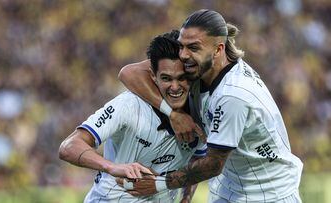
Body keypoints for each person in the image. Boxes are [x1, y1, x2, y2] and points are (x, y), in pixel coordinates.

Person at [117, 9, 303, 202]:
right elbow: (128, 73)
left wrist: (158, 184)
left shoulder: (233, 94)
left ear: (218, 49)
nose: (183, 55)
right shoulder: (200, 68)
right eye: (181, 46)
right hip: (229, 189)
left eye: (193, 48)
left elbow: (213, 164)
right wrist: (172, 114)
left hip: (266, 194)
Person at [59, 30, 207, 203]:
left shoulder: (202, 112)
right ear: (153, 76)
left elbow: (198, 158)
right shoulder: (129, 105)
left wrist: (186, 197)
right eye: (166, 78)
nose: (175, 87)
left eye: (182, 78)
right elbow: (68, 147)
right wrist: (113, 167)